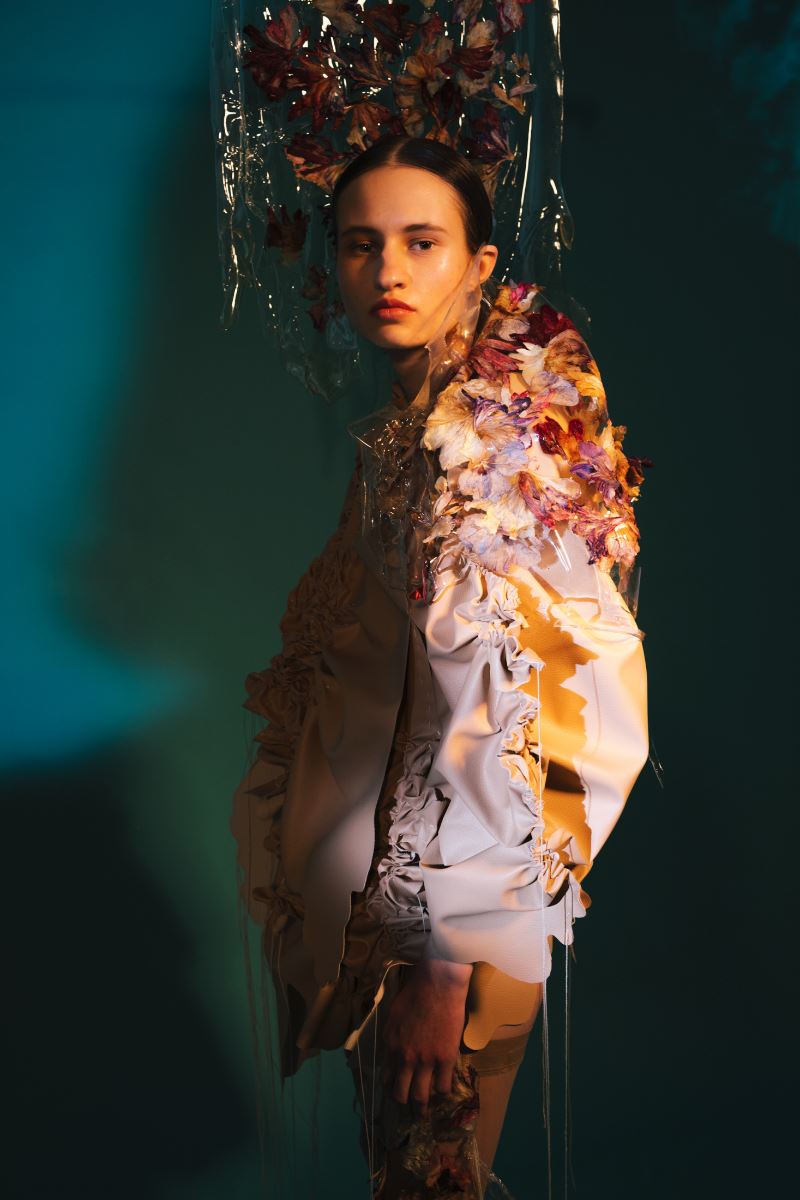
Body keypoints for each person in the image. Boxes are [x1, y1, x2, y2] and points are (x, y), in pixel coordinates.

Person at [231, 134, 649, 1199]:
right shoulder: (422, 420)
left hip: (448, 923)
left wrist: (443, 958)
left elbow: (502, 698)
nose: (388, 271)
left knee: (431, 1180)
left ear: (479, 261)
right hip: (395, 898)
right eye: (360, 244)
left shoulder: (497, 432)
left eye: (422, 242)